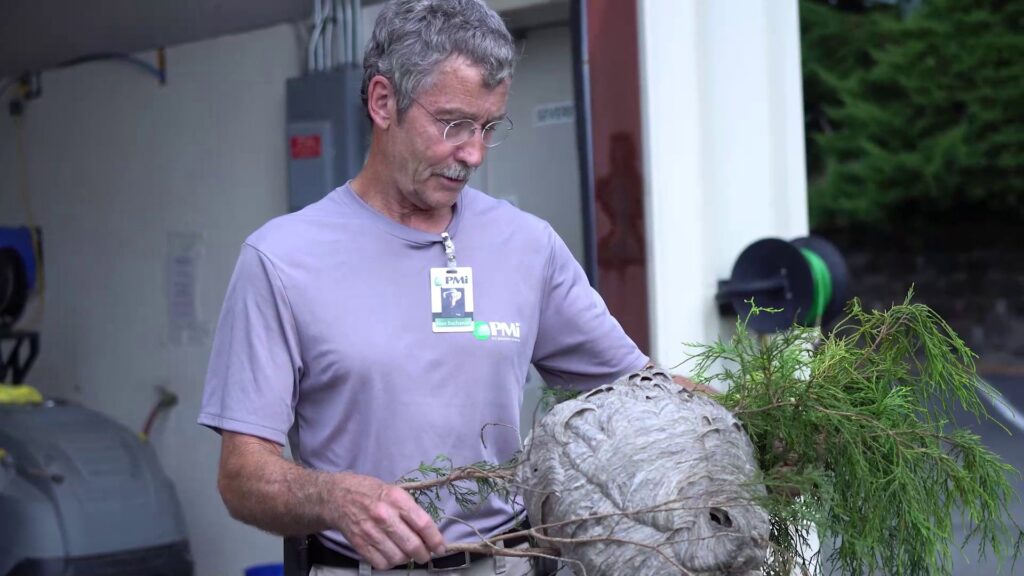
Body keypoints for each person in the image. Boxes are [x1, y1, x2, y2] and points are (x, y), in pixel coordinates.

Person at [198, 1, 648, 574]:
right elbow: (241, 477)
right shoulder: (281, 259)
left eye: (488, 127)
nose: (473, 153)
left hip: (505, 562)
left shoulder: (527, 245)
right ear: (383, 102)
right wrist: (335, 498)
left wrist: (751, 422)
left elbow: (638, 392)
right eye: (453, 123)